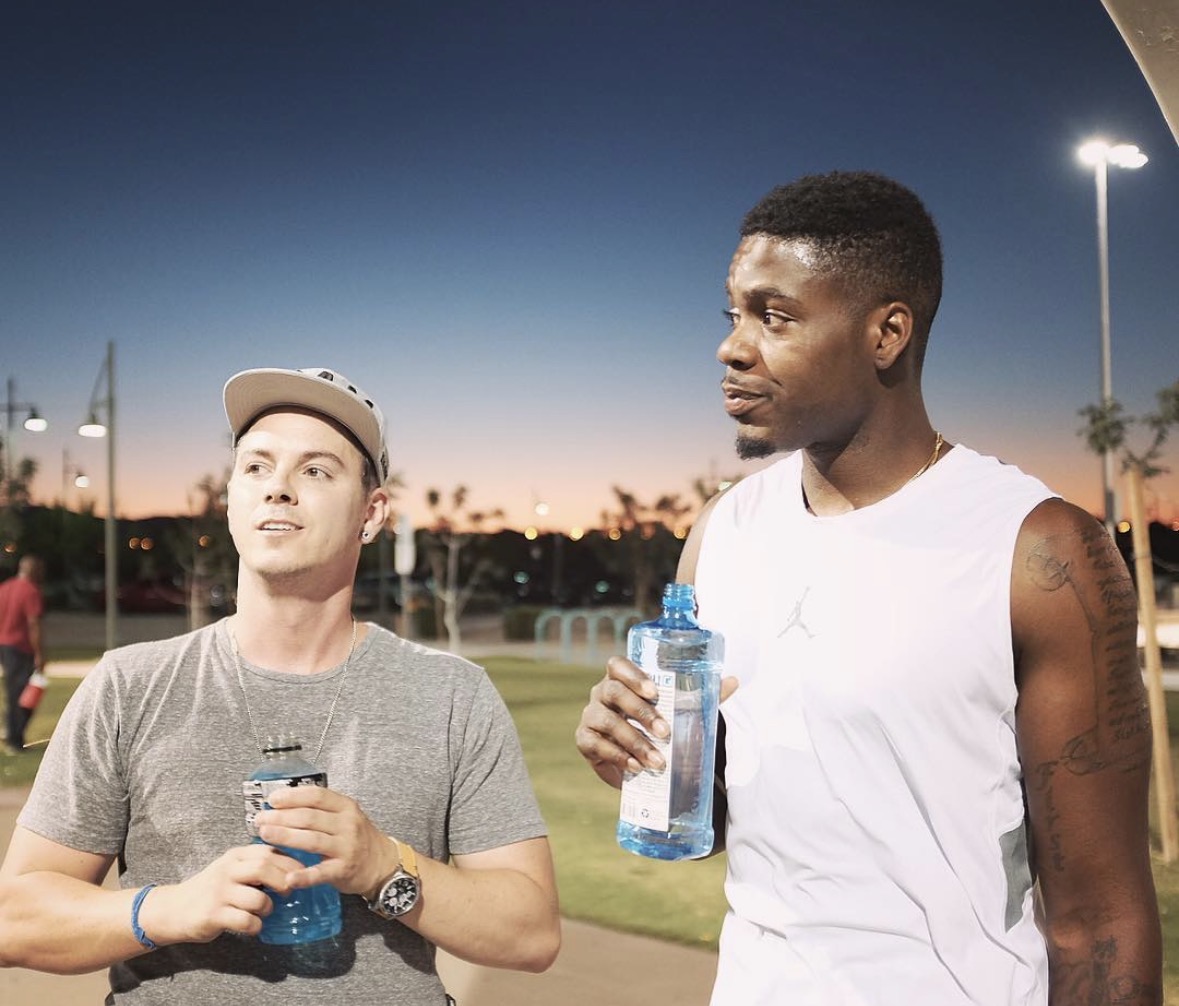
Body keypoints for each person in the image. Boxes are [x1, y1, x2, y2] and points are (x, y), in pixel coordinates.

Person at [575, 172, 1161, 1004]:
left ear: (886, 333)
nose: (732, 347)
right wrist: (638, 764)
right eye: (733, 315)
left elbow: (1100, 915)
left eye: (773, 317)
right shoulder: (722, 534)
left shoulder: (1037, 550)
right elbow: (717, 823)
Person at [0, 366, 560, 1003]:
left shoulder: (453, 695)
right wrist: (169, 909)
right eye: (256, 467)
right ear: (231, 499)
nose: (279, 490)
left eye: (316, 470)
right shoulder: (129, 686)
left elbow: (532, 933)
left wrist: (383, 866)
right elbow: (13, 921)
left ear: (372, 514)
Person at [0, 555, 46, 755]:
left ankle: (11, 734)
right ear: (33, 570)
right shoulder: (31, 591)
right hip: (21, 648)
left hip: (4, 645)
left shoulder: (6, 587)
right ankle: (15, 739)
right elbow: (33, 624)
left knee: (13, 693)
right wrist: (40, 654)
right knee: (23, 696)